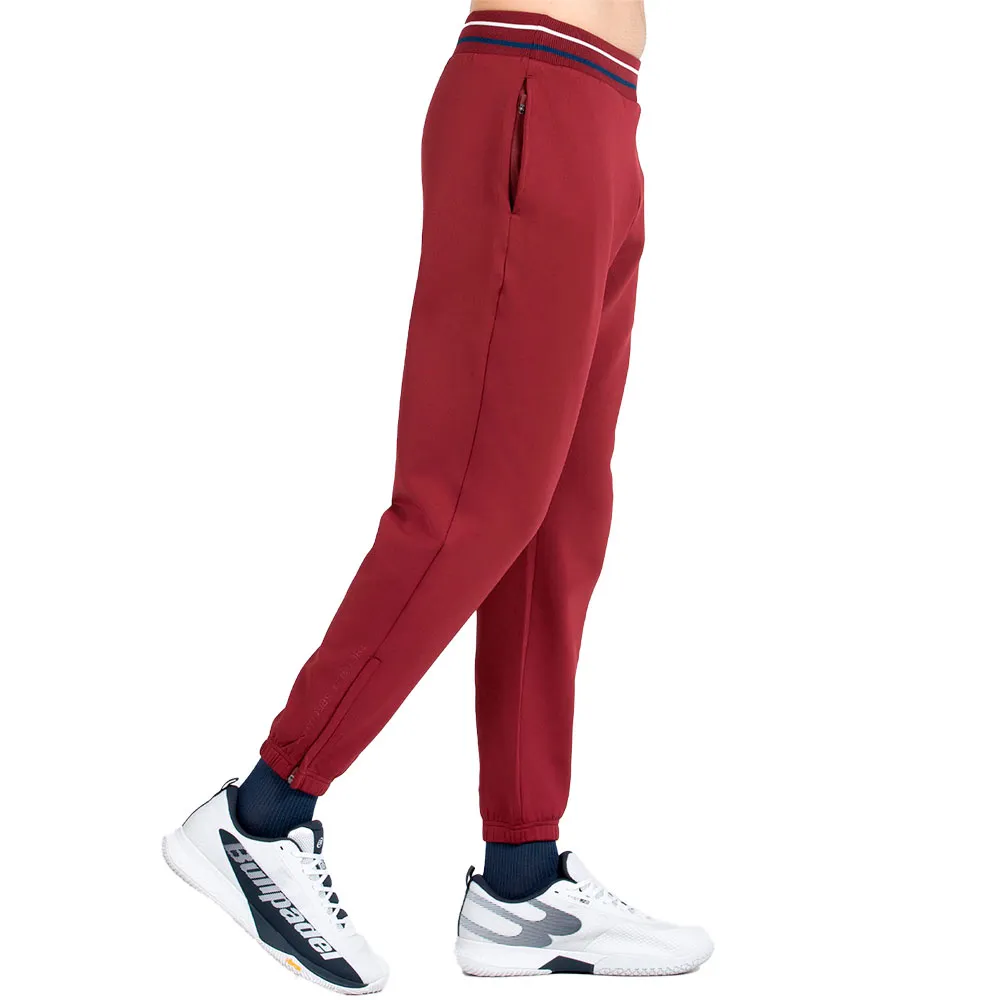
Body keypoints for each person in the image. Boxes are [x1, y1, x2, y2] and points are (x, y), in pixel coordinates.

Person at [163, 3, 713, 991]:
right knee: (468, 509)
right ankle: (262, 815)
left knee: (558, 521)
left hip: (605, 106)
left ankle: (520, 884)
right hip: (533, 83)